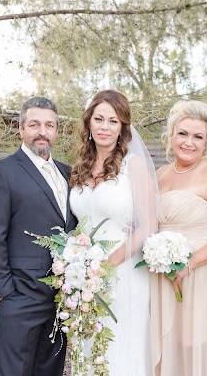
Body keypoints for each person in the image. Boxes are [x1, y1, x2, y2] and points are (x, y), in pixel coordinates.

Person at [0, 97, 77, 376]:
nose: (41, 131)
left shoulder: (68, 173)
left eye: (49, 125)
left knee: (51, 369)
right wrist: (5, 292)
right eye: (34, 124)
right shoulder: (0, 173)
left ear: (57, 131)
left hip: (60, 299)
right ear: (21, 129)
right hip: (20, 296)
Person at [68, 90, 158, 375]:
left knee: (120, 345)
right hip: (83, 271)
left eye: (113, 121)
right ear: (89, 123)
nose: (105, 127)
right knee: (88, 344)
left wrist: (106, 265)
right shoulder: (80, 167)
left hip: (124, 270)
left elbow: (148, 226)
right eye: (99, 119)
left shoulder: (134, 165)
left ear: (123, 128)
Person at [150, 100, 207, 376]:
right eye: (183, 134)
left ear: (206, 142)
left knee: (199, 350)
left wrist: (190, 263)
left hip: (202, 278)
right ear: (171, 135)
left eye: (197, 136)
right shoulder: (160, 175)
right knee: (172, 347)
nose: (189, 142)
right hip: (163, 278)